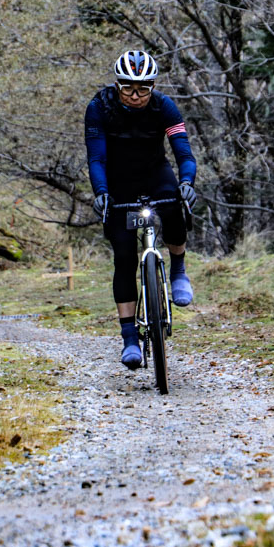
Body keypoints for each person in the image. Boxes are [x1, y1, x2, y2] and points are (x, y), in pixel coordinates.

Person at [85, 50, 198, 370]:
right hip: (118, 182)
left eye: (142, 89)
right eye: (128, 89)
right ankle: (129, 338)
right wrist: (102, 193)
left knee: (176, 205)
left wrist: (187, 182)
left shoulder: (165, 107)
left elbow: (184, 155)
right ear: (117, 85)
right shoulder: (98, 108)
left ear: (152, 87)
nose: (135, 96)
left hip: (154, 172)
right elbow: (96, 159)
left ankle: (178, 269)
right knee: (123, 254)